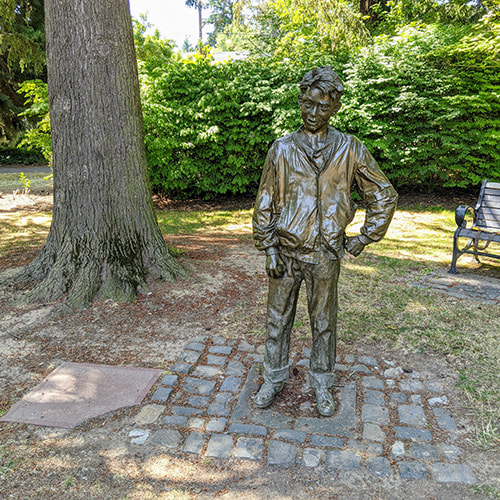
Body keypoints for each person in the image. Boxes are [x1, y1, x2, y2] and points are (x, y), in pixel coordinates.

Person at [252, 66, 398, 416]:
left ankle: (321, 383)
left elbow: (383, 193)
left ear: (334, 107)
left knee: (324, 322)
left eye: (321, 106)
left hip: (325, 253)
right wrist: (269, 247)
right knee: (277, 318)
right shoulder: (282, 149)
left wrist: (365, 236)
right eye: (306, 104)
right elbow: (266, 200)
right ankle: (273, 377)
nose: (312, 113)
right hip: (286, 251)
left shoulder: (350, 149)